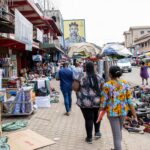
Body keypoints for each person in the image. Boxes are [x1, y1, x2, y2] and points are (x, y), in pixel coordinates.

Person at [100, 66, 137, 150]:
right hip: (123, 112)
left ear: (110, 74)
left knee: (116, 135)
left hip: (112, 114)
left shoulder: (107, 85)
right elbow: (130, 101)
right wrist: (134, 115)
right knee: (118, 132)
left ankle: (118, 148)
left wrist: (100, 114)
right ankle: (117, 147)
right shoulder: (125, 83)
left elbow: (103, 102)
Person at [76, 61, 104, 144]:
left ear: (85, 67)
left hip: (85, 102)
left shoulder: (81, 76)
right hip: (97, 101)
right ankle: (97, 132)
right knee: (97, 116)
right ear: (94, 67)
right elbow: (102, 88)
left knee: (89, 119)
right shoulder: (99, 76)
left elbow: (75, 87)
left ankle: (89, 138)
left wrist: (79, 90)